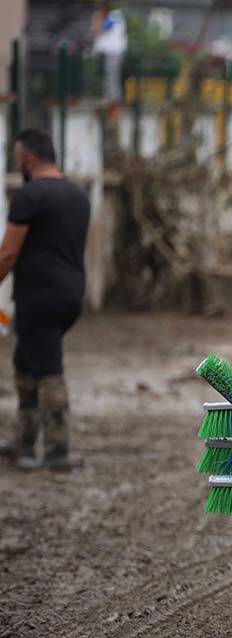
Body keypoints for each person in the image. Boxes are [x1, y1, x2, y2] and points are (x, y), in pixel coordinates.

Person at [0, 129, 89, 470]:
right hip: (70, 293)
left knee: (48, 370)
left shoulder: (29, 195)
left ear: (28, 159)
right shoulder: (78, 193)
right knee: (25, 364)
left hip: (39, 295)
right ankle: (22, 441)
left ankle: (56, 450)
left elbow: (8, 252)